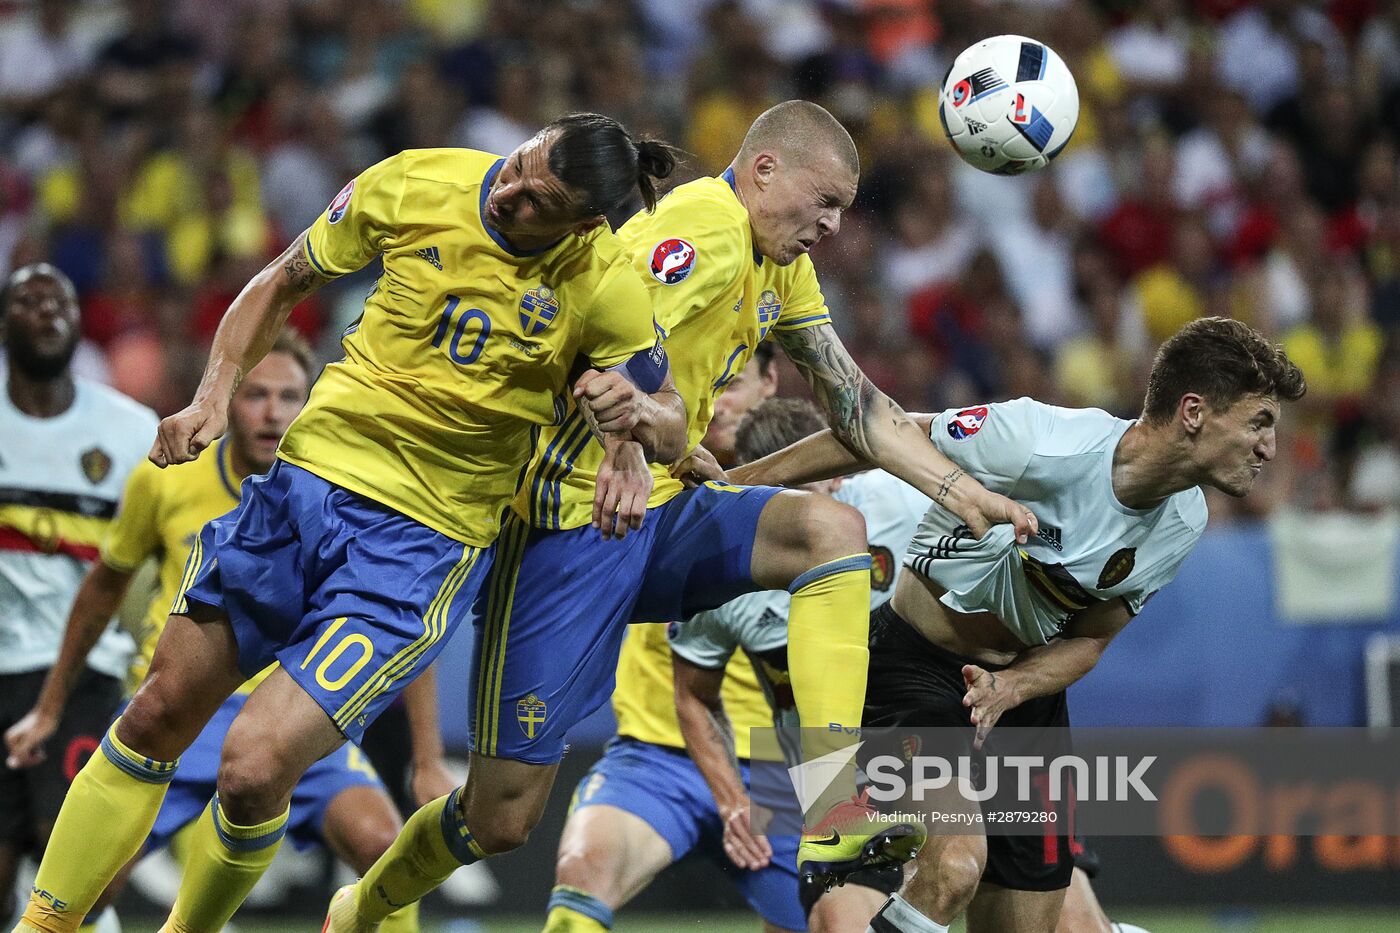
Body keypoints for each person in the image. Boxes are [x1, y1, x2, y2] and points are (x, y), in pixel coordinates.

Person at [326, 100, 1036, 933]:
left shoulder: (781, 267)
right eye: (825, 201)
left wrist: (961, 493)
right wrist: (630, 446)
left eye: (844, 209)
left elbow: (860, 409)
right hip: (572, 524)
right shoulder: (707, 225)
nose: (835, 225)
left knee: (827, 533)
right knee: (500, 817)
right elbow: (599, 328)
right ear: (765, 171)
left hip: (659, 513)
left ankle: (837, 804)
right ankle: (361, 907)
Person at [14, 114, 688, 933]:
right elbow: (282, 280)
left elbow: (670, 413)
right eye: (518, 164)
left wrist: (636, 426)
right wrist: (212, 394)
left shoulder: (607, 282)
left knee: (254, 769)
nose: (506, 192)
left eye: (537, 198)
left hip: (415, 548)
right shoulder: (417, 180)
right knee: (156, 711)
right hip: (302, 491)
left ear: (583, 224)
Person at [719, 317, 1306, 933]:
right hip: (914, 670)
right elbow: (877, 432)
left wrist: (1016, 687)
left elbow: (1091, 638)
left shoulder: (1183, 521)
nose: (1269, 448)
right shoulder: (1041, 440)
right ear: (1194, 412)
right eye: (1259, 422)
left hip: (1022, 705)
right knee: (955, 863)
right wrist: (732, 488)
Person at [4, 333, 432, 932]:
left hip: (289, 710)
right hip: (186, 708)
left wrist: (429, 756)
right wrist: (51, 709)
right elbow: (104, 586)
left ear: (310, 405)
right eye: (256, 394)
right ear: (229, 400)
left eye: (289, 397)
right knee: (95, 885)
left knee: (386, 853)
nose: (272, 412)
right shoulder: (168, 478)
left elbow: (400, 625)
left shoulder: (347, 495)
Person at [669, 397, 929, 933]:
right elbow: (693, 694)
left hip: (930, 746)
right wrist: (733, 798)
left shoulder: (901, 505)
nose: (806, 529)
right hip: (807, 772)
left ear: (836, 479)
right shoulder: (720, 573)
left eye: (811, 497)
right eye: (782, 510)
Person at [0, 263, 157, 932]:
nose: (47, 312)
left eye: (60, 299)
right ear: (7, 324)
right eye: (29, 301)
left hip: (87, 671)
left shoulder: (129, 429)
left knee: (76, 882)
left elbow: (168, 548)